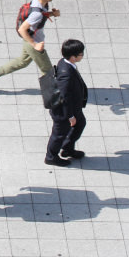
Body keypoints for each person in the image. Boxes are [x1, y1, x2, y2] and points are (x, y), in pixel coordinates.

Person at [0, 0, 60, 91]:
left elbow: (41, 15)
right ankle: (52, 95)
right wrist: (35, 45)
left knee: (22, 62)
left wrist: (52, 14)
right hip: (33, 42)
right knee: (48, 70)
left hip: (30, 41)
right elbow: (22, 29)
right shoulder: (36, 13)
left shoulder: (39, 2)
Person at [45, 39, 88, 167]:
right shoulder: (66, 74)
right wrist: (70, 116)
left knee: (80, 124)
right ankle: (51, 157)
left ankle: (68, 148)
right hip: (64, 112)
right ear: (73, 57)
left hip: (74, 108)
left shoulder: (65, 63)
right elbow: (64, 98)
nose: (82, 56)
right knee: (59, 134)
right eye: (81, 54)